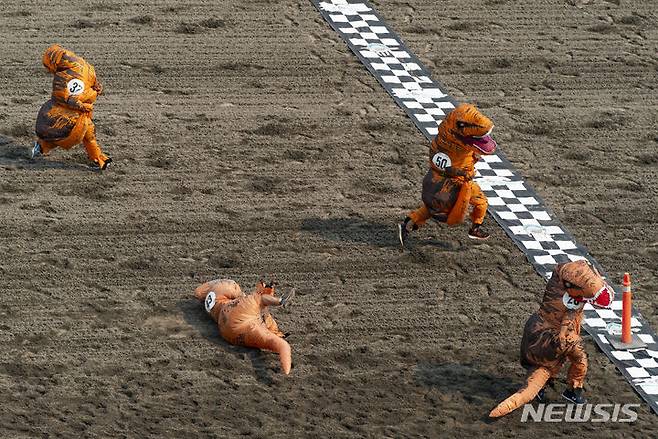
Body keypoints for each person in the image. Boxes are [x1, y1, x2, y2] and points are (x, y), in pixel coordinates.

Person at [489, 260, 614, 417]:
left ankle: (542, 386)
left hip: (536, 332)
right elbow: (570, 317)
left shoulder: (560, 285)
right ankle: (573, 390)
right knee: (580, 359)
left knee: (544, 368)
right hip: (555, 337)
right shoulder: (571, 301)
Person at [398, 103, 497, 247]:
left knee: (431, 209)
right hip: (447, 184)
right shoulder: (443, 148)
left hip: (454, 182)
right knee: (442, 208)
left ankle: (408, 224)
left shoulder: (457, 148)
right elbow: (443, 166)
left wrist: (472, 160)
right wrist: (462, 172)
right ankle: (475, 227)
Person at [32, 44, 111, 169]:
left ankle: (40, 148)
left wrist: (81, 106)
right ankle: (99, 159)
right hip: (82, 113)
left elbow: (64, 98)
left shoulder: (64, 76)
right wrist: (96, 91)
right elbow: (95, 85)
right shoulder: (86, 65)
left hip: (71, 115)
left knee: (59, 135)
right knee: (88, 134)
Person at [194, 278, 295, 374]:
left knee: (266, 333)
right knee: (259, 302)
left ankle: (280, 343)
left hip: (226, 331)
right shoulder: (235, 294)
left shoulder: (218, 296)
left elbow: (198, 292)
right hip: (235, 317)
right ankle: (280, 301)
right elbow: (261, 300)